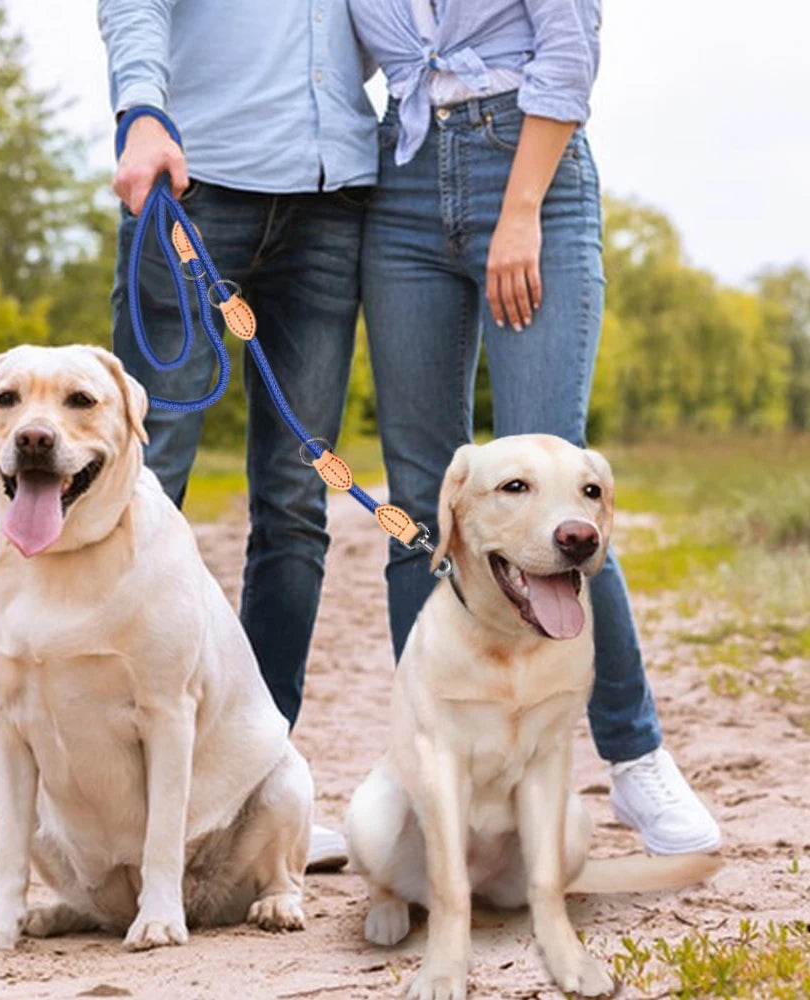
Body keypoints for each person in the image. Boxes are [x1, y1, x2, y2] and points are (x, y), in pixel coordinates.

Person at [348, 0, 721, 854]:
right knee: (418, 509)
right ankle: (427, 766)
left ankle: (635, 759)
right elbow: (321, 59)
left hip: (529, 168)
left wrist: (519, 210)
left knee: (560, 497)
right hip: (399, 180)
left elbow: (568, 45)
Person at [97, 0, 378, 869]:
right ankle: (108, 798)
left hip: (332, 200)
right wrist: (140, 109)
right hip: (194, 187)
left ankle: (257, 782)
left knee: (297, 501)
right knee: (142, 484)